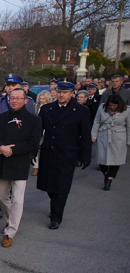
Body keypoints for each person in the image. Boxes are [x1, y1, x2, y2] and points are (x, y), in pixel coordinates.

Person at [0, 88, 42, 248]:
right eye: (12, 98)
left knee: (17, 201)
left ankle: (9, 232)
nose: (14, 101)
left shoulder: (34, 120)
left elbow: (33, 144)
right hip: (0, 162)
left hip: (19, 163)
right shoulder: (0, 118)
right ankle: (9, 221)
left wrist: (13, 150)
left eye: (18, 98)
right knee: (2, 198)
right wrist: (0, 148)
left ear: (25, 100)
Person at [36, 81, 92, 229]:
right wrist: (33, 151)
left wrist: (85, 156)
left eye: (65, 92)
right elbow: (37, 132)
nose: (61, 94)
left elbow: (85, 135)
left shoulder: (81, 111)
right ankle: (55, 206)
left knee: (61, 187)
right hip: (48, 152)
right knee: (48, 185)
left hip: (67, 154)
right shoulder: (47, 109)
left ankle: (56, 216)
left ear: (72, 93)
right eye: (59, 91)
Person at [0, 73, 36, 219]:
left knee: (15, 186)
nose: (10, 88)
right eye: (8, 85)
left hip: (18, 149)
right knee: (1, 182)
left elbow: (31, 128)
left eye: (14, 85)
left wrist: (30, 152)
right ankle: (2, 208)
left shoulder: (29, 103)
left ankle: (9, 219)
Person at [91, 95, 130, 191]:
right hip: (104, 134)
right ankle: (106, 173)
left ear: (119, 104)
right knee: (101, 159)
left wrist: (129, 140)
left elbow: (129, 126)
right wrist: (94, 135)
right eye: (110, 105)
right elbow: (96, 121)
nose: (112, 107)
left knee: (116, 159)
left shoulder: (127, 110)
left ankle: (109, 179)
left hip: (119, 137)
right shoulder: (102, 107)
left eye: (114, 105)